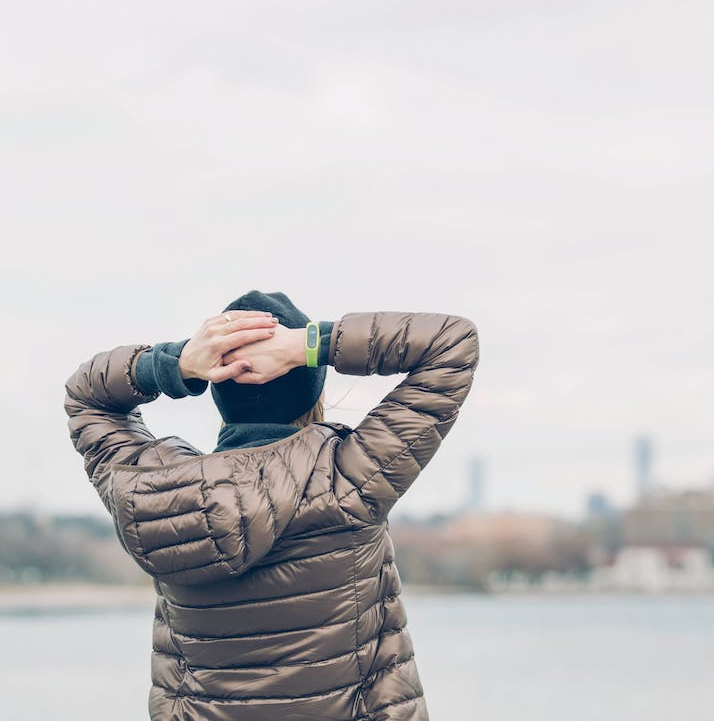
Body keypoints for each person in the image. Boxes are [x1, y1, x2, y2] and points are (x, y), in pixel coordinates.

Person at [64, 290, 479, 721]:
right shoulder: (349, 478)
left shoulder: (155, 493)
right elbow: (451, 342)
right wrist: (308, 345)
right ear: (308, 387)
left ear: (219, 391)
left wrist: (177, 363)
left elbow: (86, 397)